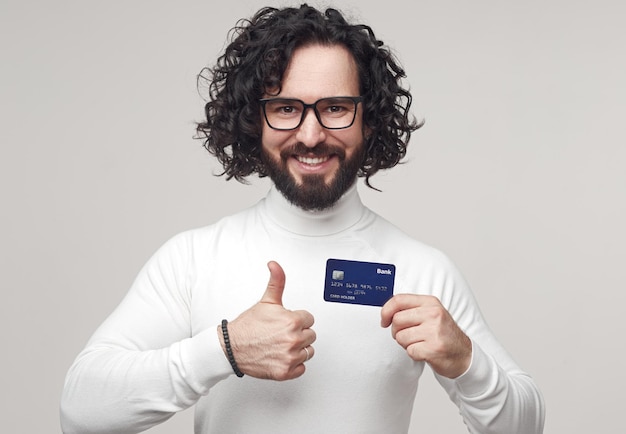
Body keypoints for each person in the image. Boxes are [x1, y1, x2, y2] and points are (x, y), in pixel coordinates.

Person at [60, 4, 545, 434]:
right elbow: (81, 411)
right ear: (256, 119)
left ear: (368, 118)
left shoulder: (423, 270)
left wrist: (467, 363)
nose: (310, 135)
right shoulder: (192, 259)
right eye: (287, 108)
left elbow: (526, 427)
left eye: (335, 108)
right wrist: (223, 350)